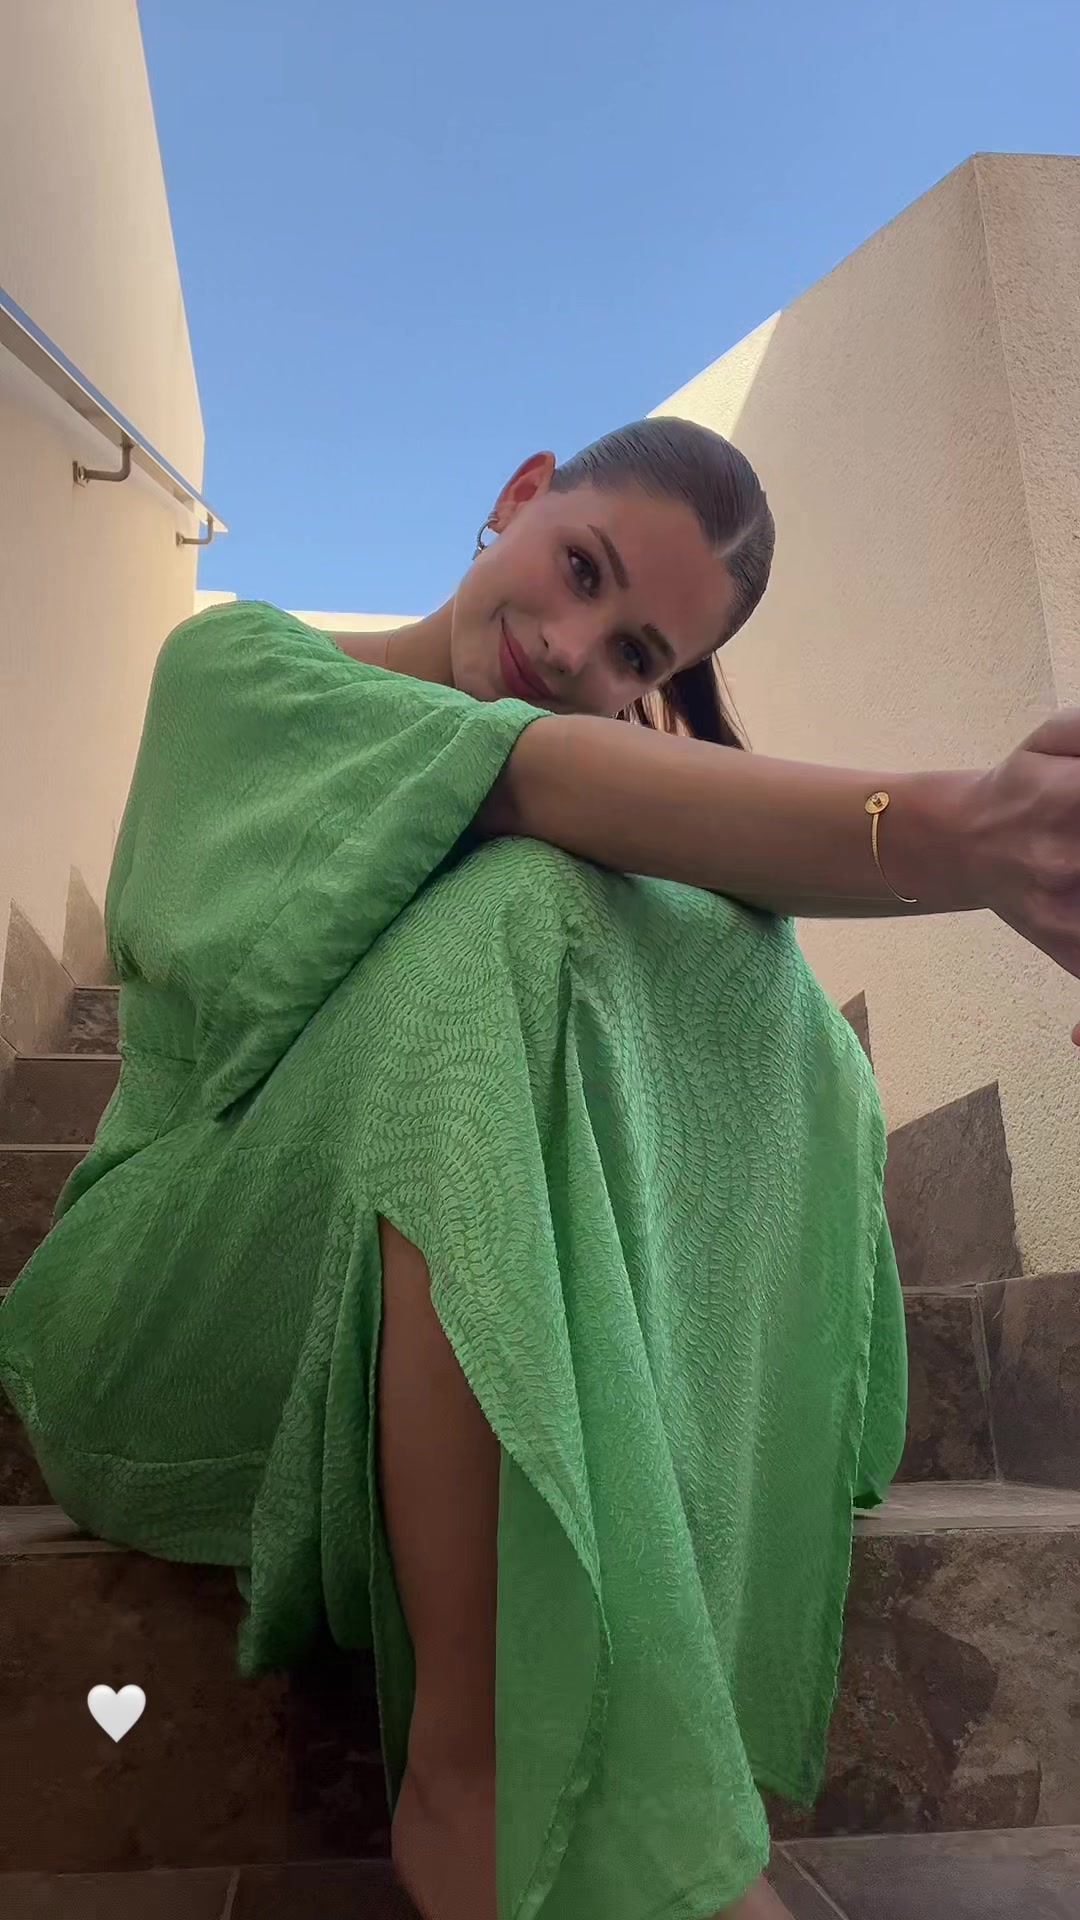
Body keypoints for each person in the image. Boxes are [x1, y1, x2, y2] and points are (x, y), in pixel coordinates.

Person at [2, 416, 1079, 1920]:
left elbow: (771, 1015)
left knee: (733, 970)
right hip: (161, 1307)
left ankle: (591, 1733)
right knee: (510, 916)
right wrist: (965, 831)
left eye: (636, 651)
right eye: (579, 567)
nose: (572, 647)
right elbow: (529, 779)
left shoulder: (582, 782)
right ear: (519, 497)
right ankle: (488, 1781)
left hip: (383, 1309)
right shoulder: (238, 667)